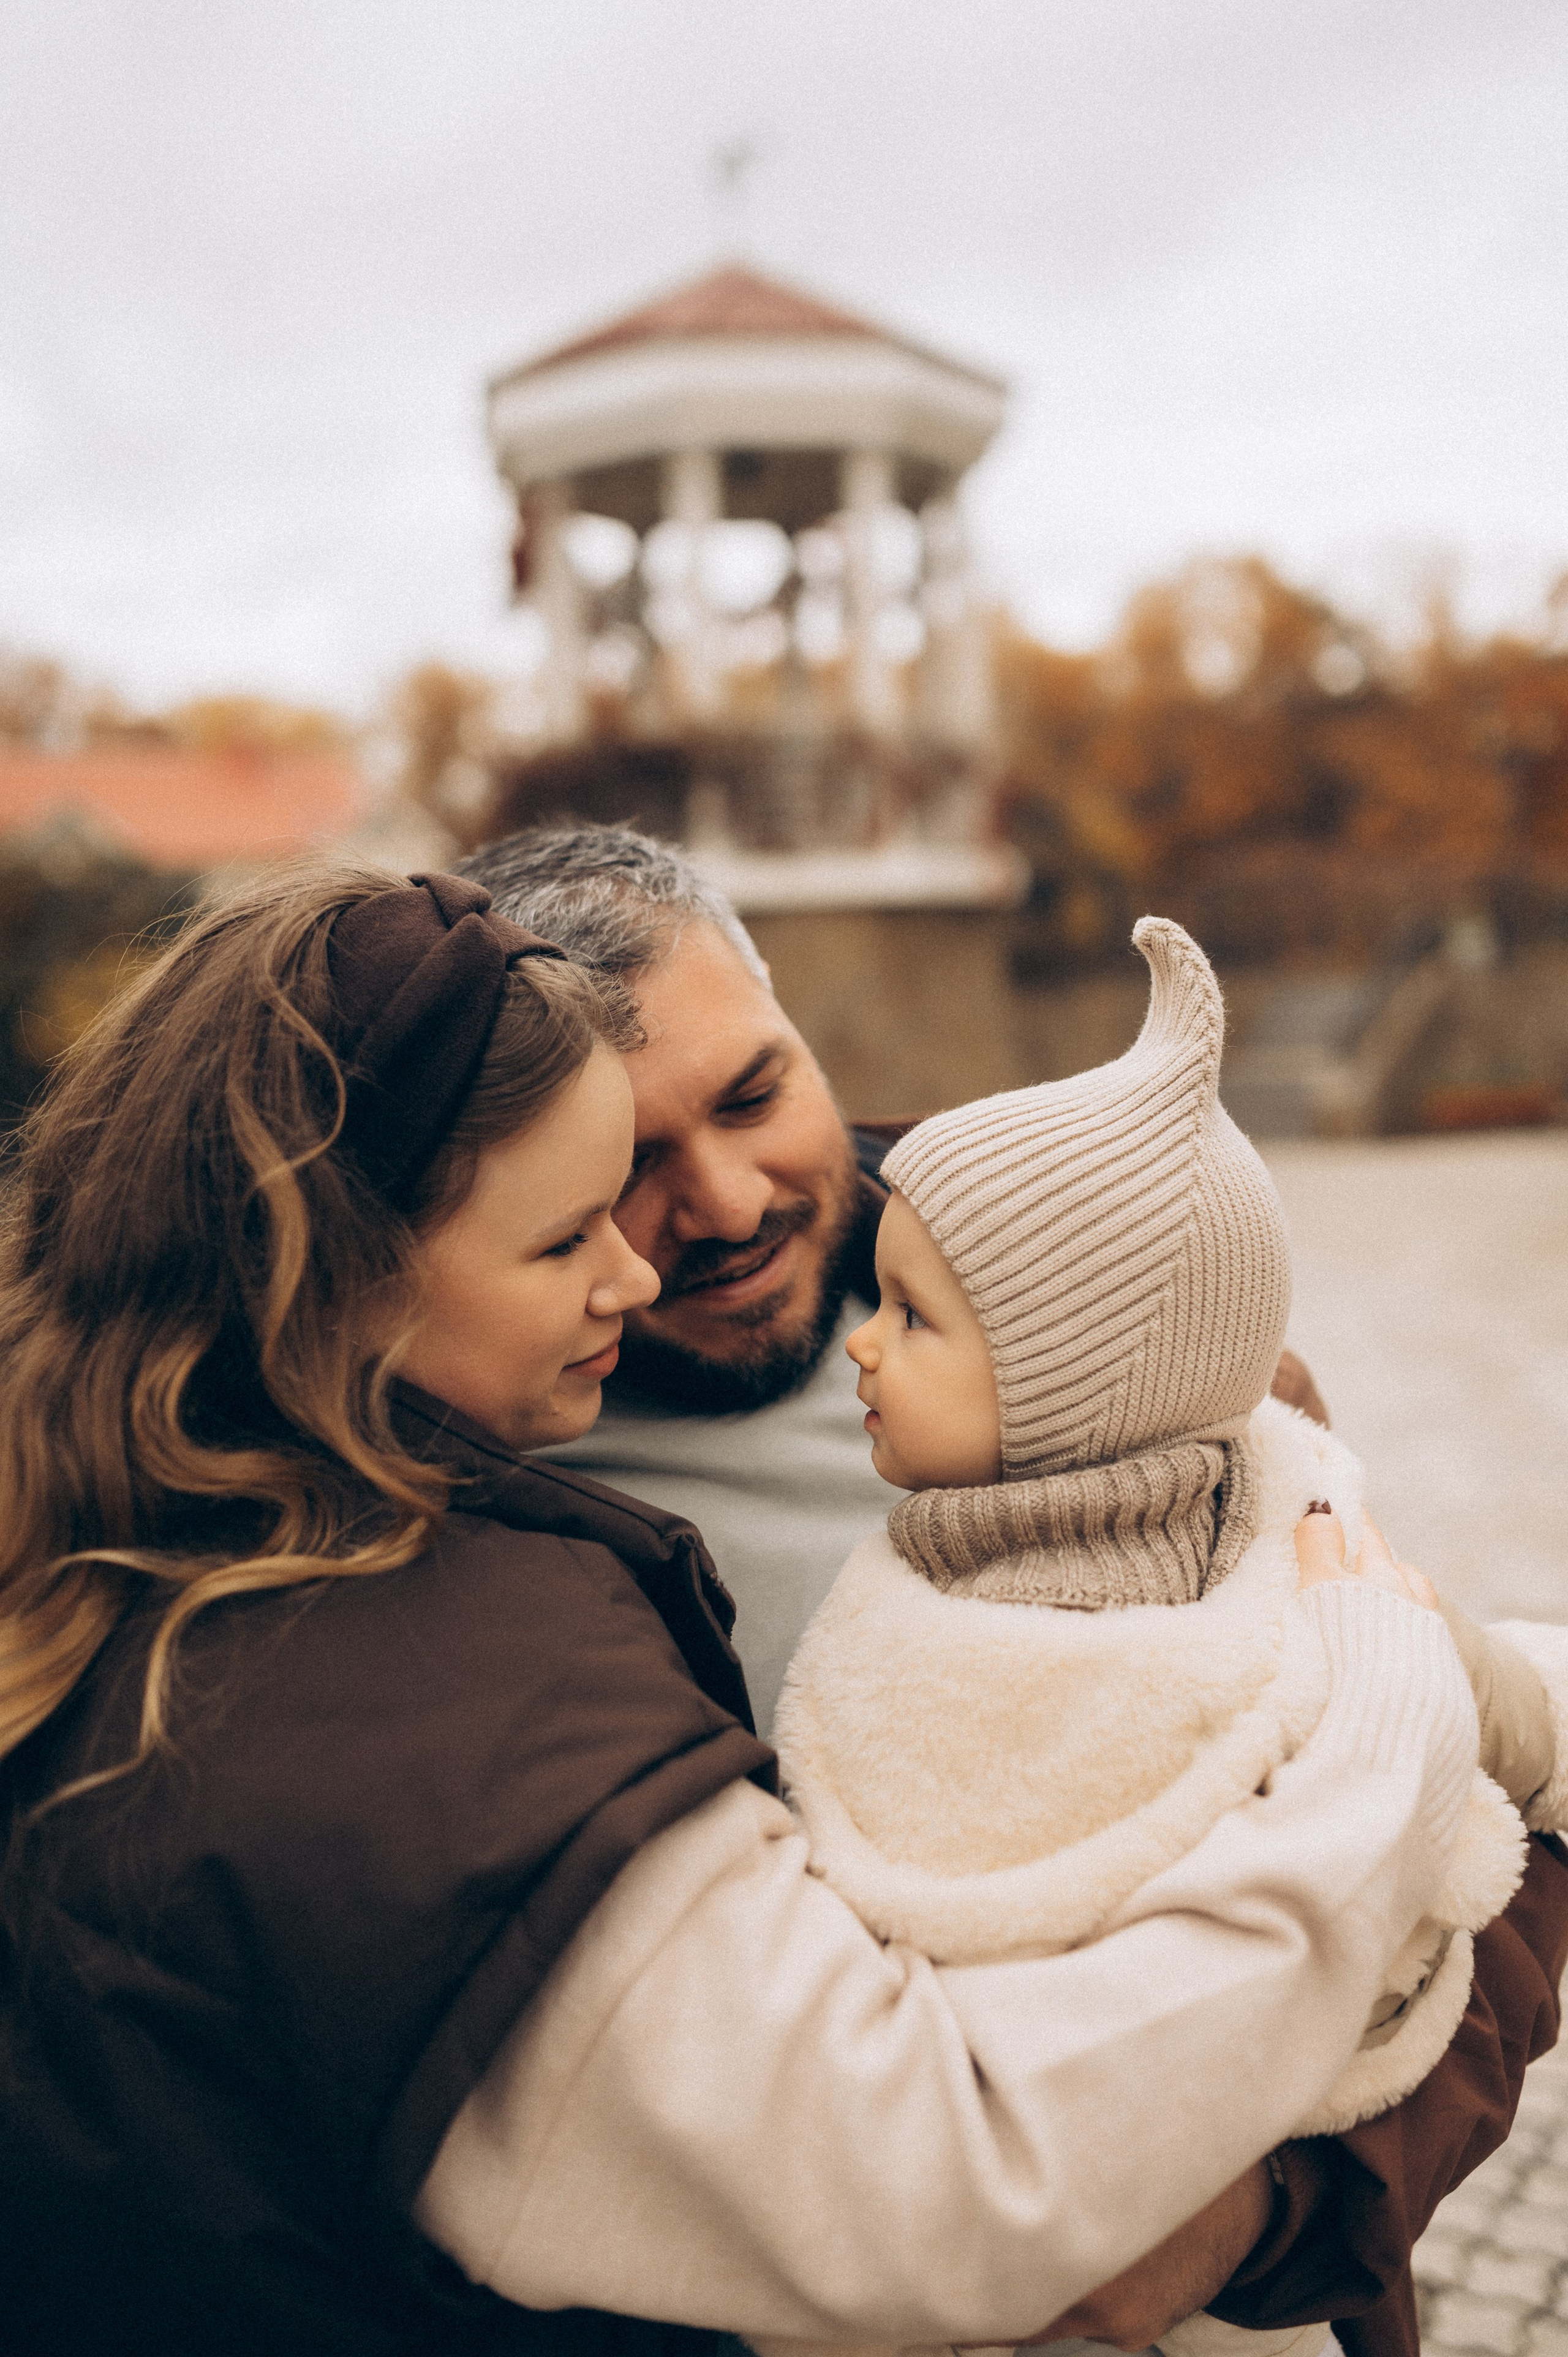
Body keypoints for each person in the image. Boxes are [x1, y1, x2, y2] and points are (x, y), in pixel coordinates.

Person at [0, 867, 1476, 2357]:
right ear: (340, 1277)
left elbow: (1449, 1775)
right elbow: (943, 2180)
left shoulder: (1102, 1310)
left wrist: (1298, 2196)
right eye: (583, 1215)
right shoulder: (424, 1644)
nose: (663, 1248)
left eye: (756, 1089)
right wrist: (1382, 1769)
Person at [454, 823, 1568, 2357]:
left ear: (792, 1016)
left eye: (753, 1092)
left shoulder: (1122, 1320)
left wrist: (1267, 2204)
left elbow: (1459, 1826)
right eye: (630, 1163)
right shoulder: (490, 1510)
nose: (718, 1201)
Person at [774, 914, 1568, 2357]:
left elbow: (1457, 1686)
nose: (860, 1344)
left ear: (1074, 1383)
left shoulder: (1283, 1547)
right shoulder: (938, 1584)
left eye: (909, 1317)